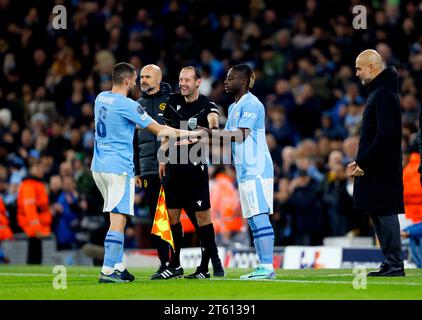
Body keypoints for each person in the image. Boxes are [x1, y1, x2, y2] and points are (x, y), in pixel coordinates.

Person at [91, 62, 200, 283]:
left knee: (114, 216)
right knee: (118, 220)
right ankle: (107, 271)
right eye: (136, 79)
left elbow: (127, 125)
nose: (138, 83)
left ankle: (119, 267)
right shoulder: (129, 105)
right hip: (117, 168)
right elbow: (160, 129)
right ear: (127, 81)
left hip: (98, 167)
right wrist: (191, 132)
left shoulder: (101, 98)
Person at [202, 64, 276, 279]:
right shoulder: (235, 108)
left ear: (243, 82)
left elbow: (241, 135)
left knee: (259, 215)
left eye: (230, 78)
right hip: (244, 170)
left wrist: (209, 134)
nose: (225, 82)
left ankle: (268, 266)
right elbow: (226, 137)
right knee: (252, 218)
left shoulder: (252, 104)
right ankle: (263, 266)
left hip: (257, 168)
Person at [152, 66, 225, 280]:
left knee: (203, 218)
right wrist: (162, 158)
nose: (182, 83)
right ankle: (175, 265)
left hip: (195, 170)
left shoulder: (207, 105)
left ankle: (205, 267)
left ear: (198, 82)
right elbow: (166, 132)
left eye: (187, 80)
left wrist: (205, 132)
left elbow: (214, 125)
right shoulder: (172, 102)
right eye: (180, 79)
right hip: (174, 168)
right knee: (173, 216)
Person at [347, 49, 405, 277]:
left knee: (385, 211)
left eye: (360, 68)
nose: (357, 73)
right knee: (377, 210)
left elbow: (386, 134)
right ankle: (390, 261)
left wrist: (364, 161)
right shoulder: (381, 91)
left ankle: (395, 263)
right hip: (377, 165)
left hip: (382, 167)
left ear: (372, 67)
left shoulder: (382, 94)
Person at [133, 64, 173, 278]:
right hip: (148, 171)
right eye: (141, 77)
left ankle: (175, 262)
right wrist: (136, 171)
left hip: (172, 168)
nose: (143, 80)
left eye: (147, 76)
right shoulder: (136, 106)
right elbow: (133, 141)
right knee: (156, 218)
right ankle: (164, 263)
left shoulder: (172, 102)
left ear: (158, 79)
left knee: (173, 216)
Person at [17, 161, 52, 264]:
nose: (41, 170)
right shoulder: (29, 184)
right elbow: (30, 208)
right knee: (34, 257)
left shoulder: (37, 183)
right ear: (31, 169)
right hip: (32, 228)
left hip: (37, 227)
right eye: (37, 168)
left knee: (37, 256)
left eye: (41, 168)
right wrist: (36, 229)